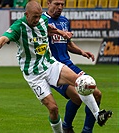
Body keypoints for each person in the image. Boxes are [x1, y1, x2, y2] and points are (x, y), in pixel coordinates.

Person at [43, 0, 113, 133]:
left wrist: (81, 52)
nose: (60, 7)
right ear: (48, 3)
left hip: (68, 65)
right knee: (77, 96)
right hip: (52, 68)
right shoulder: (41, 21)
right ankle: (67, 127)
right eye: (57, 4)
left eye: (62, 4)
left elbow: (68, 44)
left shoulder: (64, 21)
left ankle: (83, 130)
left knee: (96, 94)